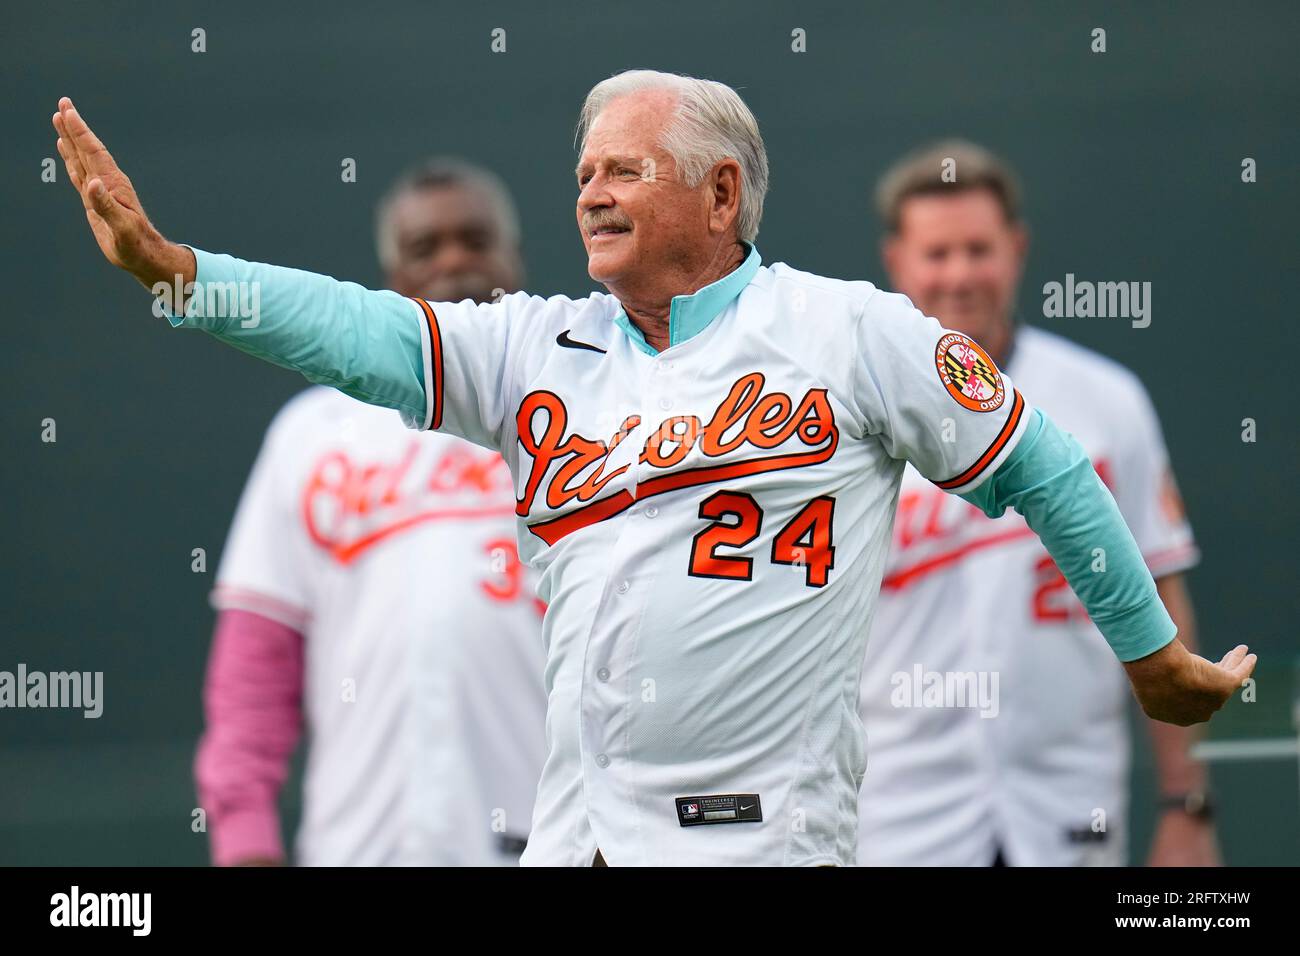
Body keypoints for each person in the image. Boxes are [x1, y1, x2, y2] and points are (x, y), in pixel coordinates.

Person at [52, 70, 1254, 867]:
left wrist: (1149, 653)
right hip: (577, 837)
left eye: (623, 167)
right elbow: (358, 331)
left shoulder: (850, 331)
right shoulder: (535, 346)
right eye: (582, 170)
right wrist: (181, 275)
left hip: (765, 842)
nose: (589, 187)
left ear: (721, 191)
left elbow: (1044, 459)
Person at [856, 141, 1217, 867]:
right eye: (937, 252)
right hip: (897, 813)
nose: (959, 274)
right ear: (897, 261)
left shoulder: (1104, 398)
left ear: (1016, 249)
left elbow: (1163, 592)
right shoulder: (852, 418)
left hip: (1067, 804)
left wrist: (1186, 802)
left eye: (978, 249)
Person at [193, 159, 546, 866]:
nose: (454, 261)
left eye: (475, 240)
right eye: (425, 247)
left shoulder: (577, 408)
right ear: (390, 283)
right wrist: (244, 834)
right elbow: (256, 665)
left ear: (516, 258)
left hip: (549, 840)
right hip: (361, 847)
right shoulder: (317, 431)